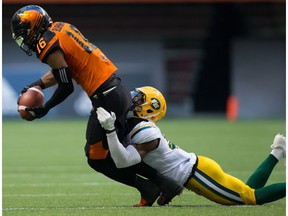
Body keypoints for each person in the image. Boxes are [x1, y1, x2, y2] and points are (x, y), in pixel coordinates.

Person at [11, 5, 183, 207]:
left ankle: (151, 187)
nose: (25, 39)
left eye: (25, 33)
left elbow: (66, 87)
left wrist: (45, 108)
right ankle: (164, 184)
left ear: (34, 27)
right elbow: (66, 69)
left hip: (106, 98)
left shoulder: (47, 43)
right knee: (106, 153)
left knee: (97, 158)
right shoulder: (61, 28)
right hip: (116, 91)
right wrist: (37, 84)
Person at [96, 86, 286, 205]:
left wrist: (110, 131)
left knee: (250, 198)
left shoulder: (145, 131)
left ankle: (279, 151)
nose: (131, 99)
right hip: (198, 169)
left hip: (196, 173)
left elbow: (124, 161)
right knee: (246, 190)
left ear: (148, 107)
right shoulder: (139, 126)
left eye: (137, 98)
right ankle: (278, 150)